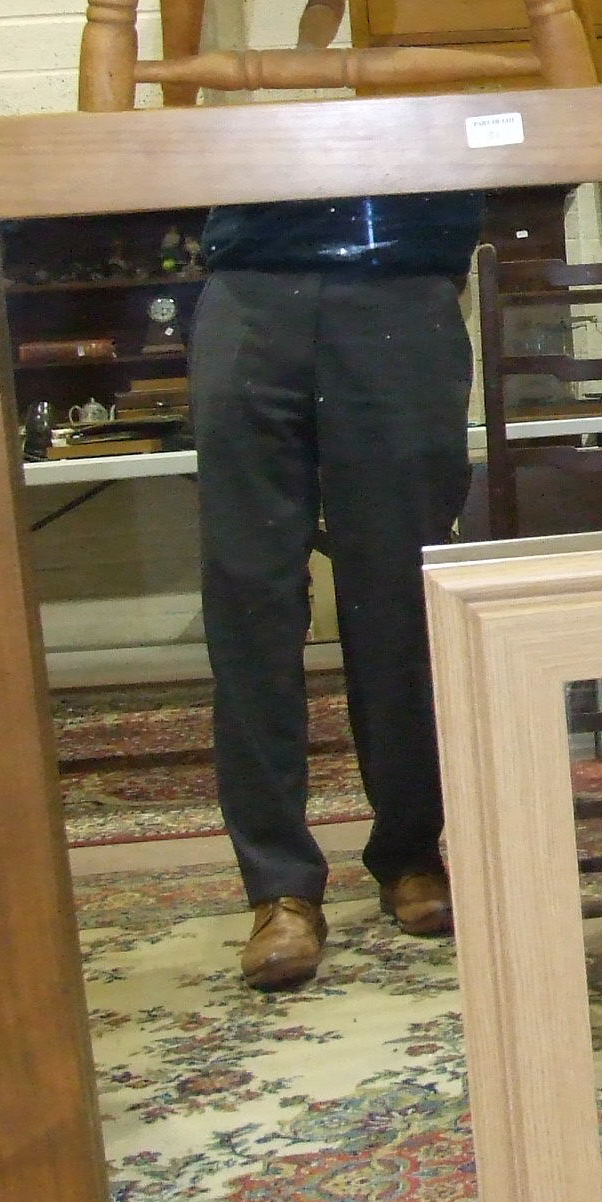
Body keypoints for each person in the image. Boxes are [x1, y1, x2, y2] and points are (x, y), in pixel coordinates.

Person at [189, 193, 481, 990]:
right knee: (249, 598)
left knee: (401, 598)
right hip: (252, 280)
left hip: (405, 278)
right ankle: (278, 887)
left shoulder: (427, 57)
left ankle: (412, 852)